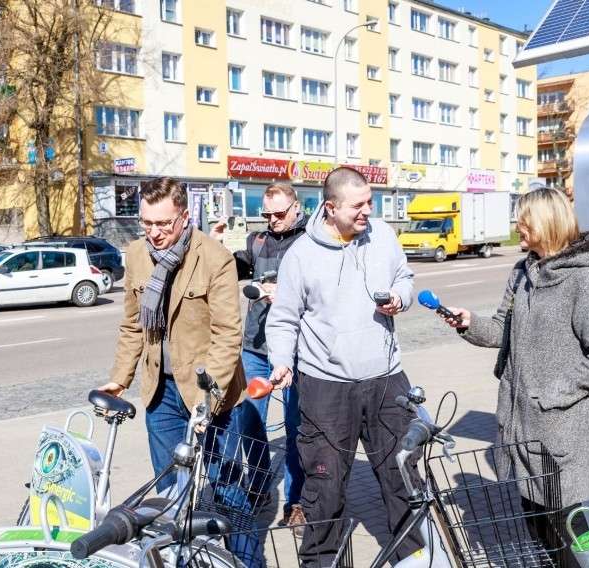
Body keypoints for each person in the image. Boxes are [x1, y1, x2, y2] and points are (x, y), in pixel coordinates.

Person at [440, 187, 589, 568]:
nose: (516, 226)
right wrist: (469, 324)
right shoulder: (522, 272)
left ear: (547, 222)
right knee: (536, 531)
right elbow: (502, 329)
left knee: (565, 538)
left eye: (523, 218)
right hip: (522, 430)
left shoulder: (582, 281)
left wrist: (552, 393)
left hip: (558, 434)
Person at [98, 177, 260, 567]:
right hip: (162, 393)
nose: (154, 233)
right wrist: (120, 378)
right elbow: (133, 324)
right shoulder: (137, 254)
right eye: (147, 223)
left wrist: (207, 400)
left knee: (228, 493)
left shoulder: (215, 257)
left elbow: (227, 335)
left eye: (163, 224)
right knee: (169, 495)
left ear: (185, 217)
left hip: (213, 393)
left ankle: (248, 563)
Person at [265, 167, 424, 564]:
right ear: (330, 207)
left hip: (388, 379)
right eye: (358, 205)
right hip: (327, 387)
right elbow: (283, 318)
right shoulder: (301, 255)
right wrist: (282, 362)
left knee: (403, 478)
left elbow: (405, 275)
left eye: (370, 202)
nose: (367, 211)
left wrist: (401, 298)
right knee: (326, 489)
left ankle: (418, 558)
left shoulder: (382, 234)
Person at [211, 182, 307, 531]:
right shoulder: (257, 240)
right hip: (255, 346)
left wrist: (288, 294)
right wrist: (217, 241)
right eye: (266, 214)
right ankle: (261, 484)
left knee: (297, 427)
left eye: (279, 213)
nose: (272, 220)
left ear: (296, 207)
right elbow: (227, 269)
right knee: (249, 422)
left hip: (298, 350)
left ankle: (296, 501)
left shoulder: (311, 240)